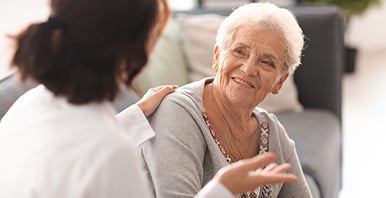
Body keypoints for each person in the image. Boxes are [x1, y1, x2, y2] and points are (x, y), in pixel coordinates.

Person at [0, 0, 298, 197]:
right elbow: (92, 155)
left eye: (267, 62)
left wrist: (134, 116)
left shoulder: (29, 106)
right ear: (136, 50)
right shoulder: (110, 152)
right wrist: (221, 190)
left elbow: (71, 153)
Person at [141, 2, 313, 198]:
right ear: (216, 56)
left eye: (266, 62)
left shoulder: (272, 132)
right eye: (239, 51)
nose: (248, 69)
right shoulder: (177, 112)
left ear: (279, 82)